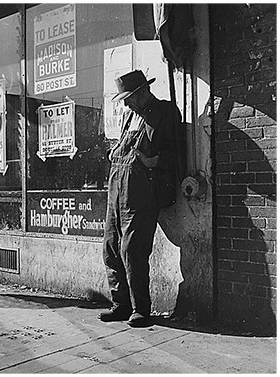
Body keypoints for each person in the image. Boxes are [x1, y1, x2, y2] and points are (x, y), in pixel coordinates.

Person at [99, 69, 181, 327]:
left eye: (129, 97)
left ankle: (141, 309)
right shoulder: (128, 116)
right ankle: (120, 305)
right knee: (111, 247)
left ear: (144, 91)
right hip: (117, 187)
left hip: (143, 190)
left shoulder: (165, 112)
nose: (125, 103)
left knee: (132, 249)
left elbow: (177, 152)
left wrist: (154, 160)